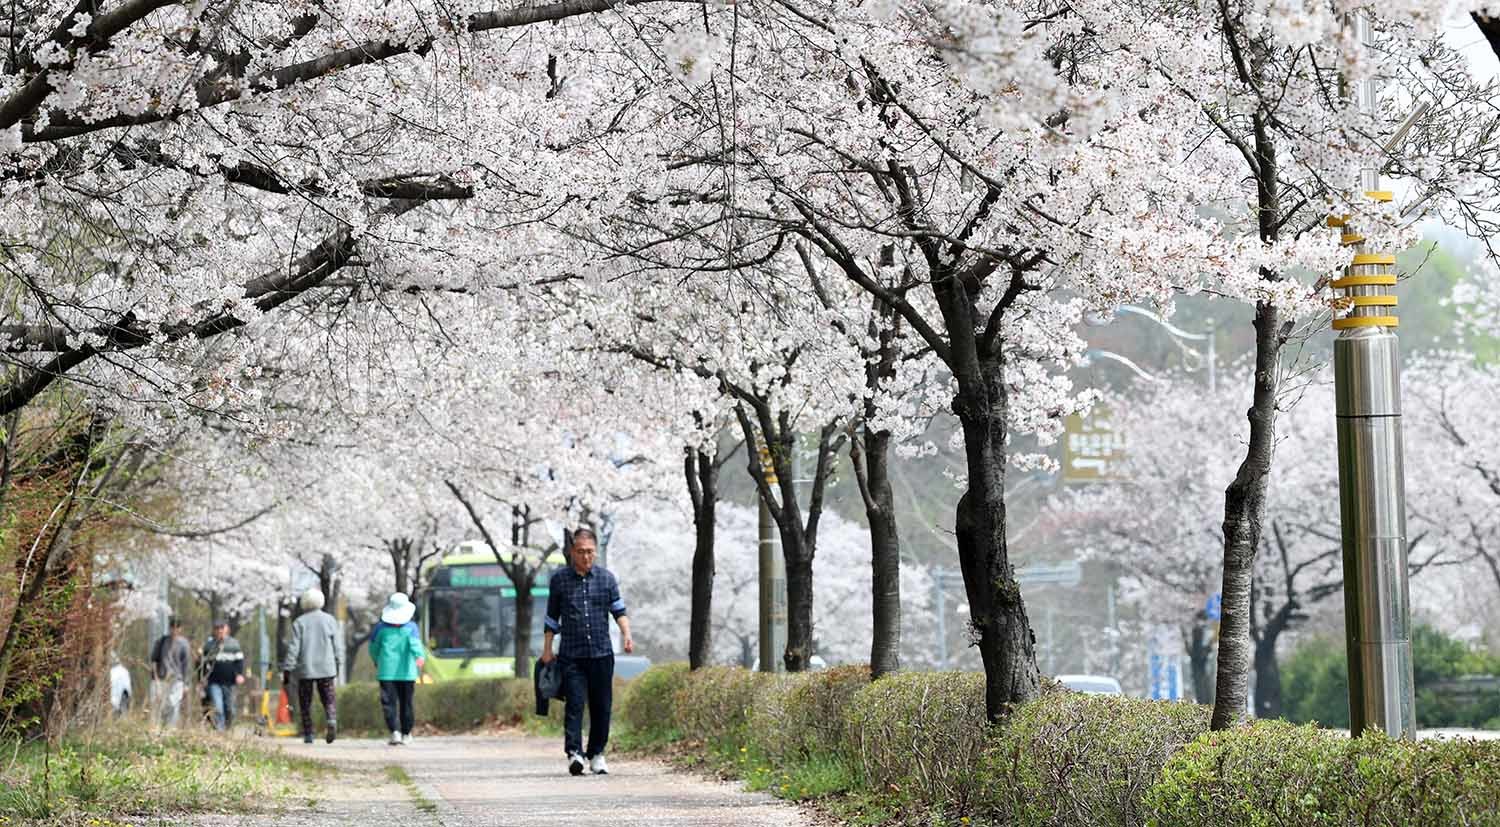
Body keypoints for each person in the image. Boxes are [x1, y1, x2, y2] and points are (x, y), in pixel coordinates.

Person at [541, 527, 633, 776]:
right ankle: (574, 753)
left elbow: (619, 611)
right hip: (571, 655)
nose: (586, 557)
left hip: (602, 653)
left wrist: (627, 635)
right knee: (575, 704)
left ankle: (597, 754)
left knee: (602, 706)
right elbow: (551, 618)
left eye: (590, 552)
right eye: (581, 552)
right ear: (572, 552)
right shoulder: (559, 580)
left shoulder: (606, 579)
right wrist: (548, 650)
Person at [282, 587, 343, 744]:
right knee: (328, 698)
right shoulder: (329, 620)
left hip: (306, 669)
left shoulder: (299, 622)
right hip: (327, 667)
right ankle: (331, 719)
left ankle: (309, 733)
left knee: (305, 701)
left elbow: (294, 647)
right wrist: (338, 661)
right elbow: (337, 645)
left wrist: (288, 668)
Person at [370, 592, 425, 746]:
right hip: (407, 672)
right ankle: (407, 733)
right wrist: (419, 657)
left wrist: (376, 660)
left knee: (389, 703)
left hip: (386, 672)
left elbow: (373, 648)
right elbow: (415, 645)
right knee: (406, 703)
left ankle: (395, 732)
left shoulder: (380, 628)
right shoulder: (411, 627)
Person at [201, 620, 246, 731]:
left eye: (222, 628)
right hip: (214, 682)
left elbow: (239, 661)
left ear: (226, 629)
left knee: (230, 708)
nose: (220, 631)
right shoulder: (209, 645)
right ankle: (220, 731)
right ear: (214, 630)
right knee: (218, 707)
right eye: (217, 628)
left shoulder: (234, 644)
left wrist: (239, 674)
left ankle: (228, 728)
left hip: (229, 682)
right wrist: (202, 679)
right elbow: (203, 664)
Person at [157, 617, 191, 728]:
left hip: (178, 679)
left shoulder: (184, 644)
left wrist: (186, 683)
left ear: (180, 629)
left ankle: (171, 728)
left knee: (174, 704)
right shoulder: (162, 641)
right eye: (172, 627)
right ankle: (163, 726)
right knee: (164, 704)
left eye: (177, 628)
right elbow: (155, 659)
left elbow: (186, 664)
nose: (174, 630)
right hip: (163, 677)